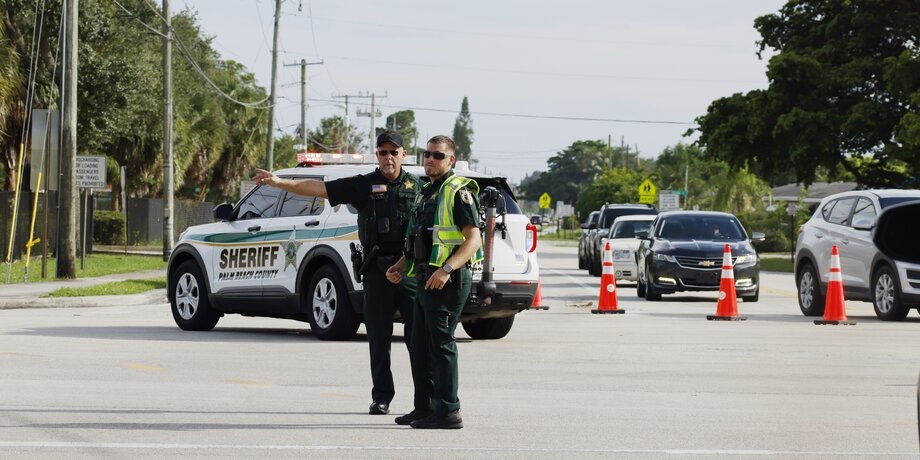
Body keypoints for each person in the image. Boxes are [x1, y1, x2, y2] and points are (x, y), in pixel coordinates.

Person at [252, 131, 425, 417]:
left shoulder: (419, 188)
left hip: (408, 270)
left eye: (394, 152)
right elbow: (320, 189)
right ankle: (381, 396)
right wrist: (280, 182)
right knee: (378, 339)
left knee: (418, 339)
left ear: (404, 155)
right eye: (383, 152)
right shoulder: (364, 185)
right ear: (377, 156)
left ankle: (424, 401)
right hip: (376, 268)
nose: (388, 157)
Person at [385, 135, 482, 429]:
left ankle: (448, 410)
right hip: (425, 278)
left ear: (450, 160)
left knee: (441, 345)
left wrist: (447, 269)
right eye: (426, 154)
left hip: (447, 281)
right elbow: (420, 239)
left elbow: (473, 239)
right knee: (419, 343)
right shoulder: (426, 191)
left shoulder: (457, 190)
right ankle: (424, 407)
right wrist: (401, 266)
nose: (430, 160)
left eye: (437, 156)